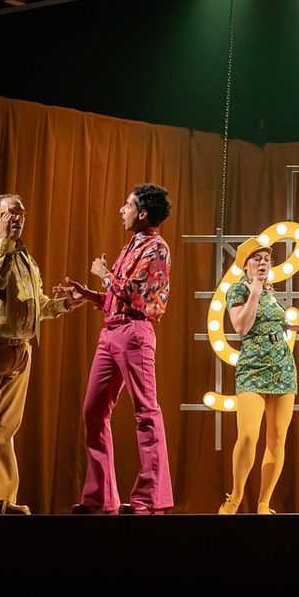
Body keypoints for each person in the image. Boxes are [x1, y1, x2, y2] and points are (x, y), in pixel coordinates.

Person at [0, 193, 82, 515]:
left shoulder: (25, 256)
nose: (18, 219)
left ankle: (0, 500)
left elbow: (36, 305)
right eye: (11, 213)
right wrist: (7, 244)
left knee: (5, 429)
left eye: (21, 214)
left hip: (19, 350)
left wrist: (65, 304)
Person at [62, 184, 175, 515]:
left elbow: (138, 300)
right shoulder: (132, 245)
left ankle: (150, 499)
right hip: (111, 333)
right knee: (93, 411)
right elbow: (119, 298)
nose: (121, 210)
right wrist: (91, 295)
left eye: (127, 205)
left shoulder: (157, 248)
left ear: (142, 213)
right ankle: (101, 497)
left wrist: (104, 275)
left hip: (135, 334)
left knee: (146, 412)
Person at [217, 237, 299, 514]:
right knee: (247, 436)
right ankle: (234, 498)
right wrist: (255, 289)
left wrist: (291, 326)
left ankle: (264, 503)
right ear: (245, 265)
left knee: (277, 438)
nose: (263, 263)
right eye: (257, 259)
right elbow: (241, 327)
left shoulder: (269, 293)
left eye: (267, 259)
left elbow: (270, 321)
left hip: (282, 367)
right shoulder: (239, 290)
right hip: (252, 368)